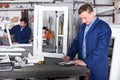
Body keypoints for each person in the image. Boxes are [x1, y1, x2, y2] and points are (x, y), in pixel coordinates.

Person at [63, 4, 111, 80]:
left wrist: (86, 62)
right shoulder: (82, 27)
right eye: (81, 18)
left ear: (92, 13)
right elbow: (77, 42)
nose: (83, 21)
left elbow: (101, 49)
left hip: (97, 68)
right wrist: (69, 55)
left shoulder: (103, 27)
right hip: (82, 67)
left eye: (85, 18)